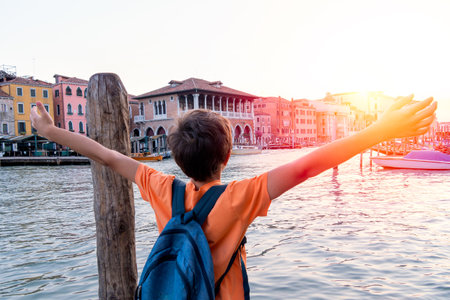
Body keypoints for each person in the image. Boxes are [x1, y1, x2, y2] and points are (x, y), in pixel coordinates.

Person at [30, 94, 436, 299]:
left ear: (176, 156)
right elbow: (309, 166)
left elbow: (107, 154)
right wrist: (380, 130)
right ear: (227, 156)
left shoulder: (159, 187)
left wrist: (50, 132)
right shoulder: (240, 197)